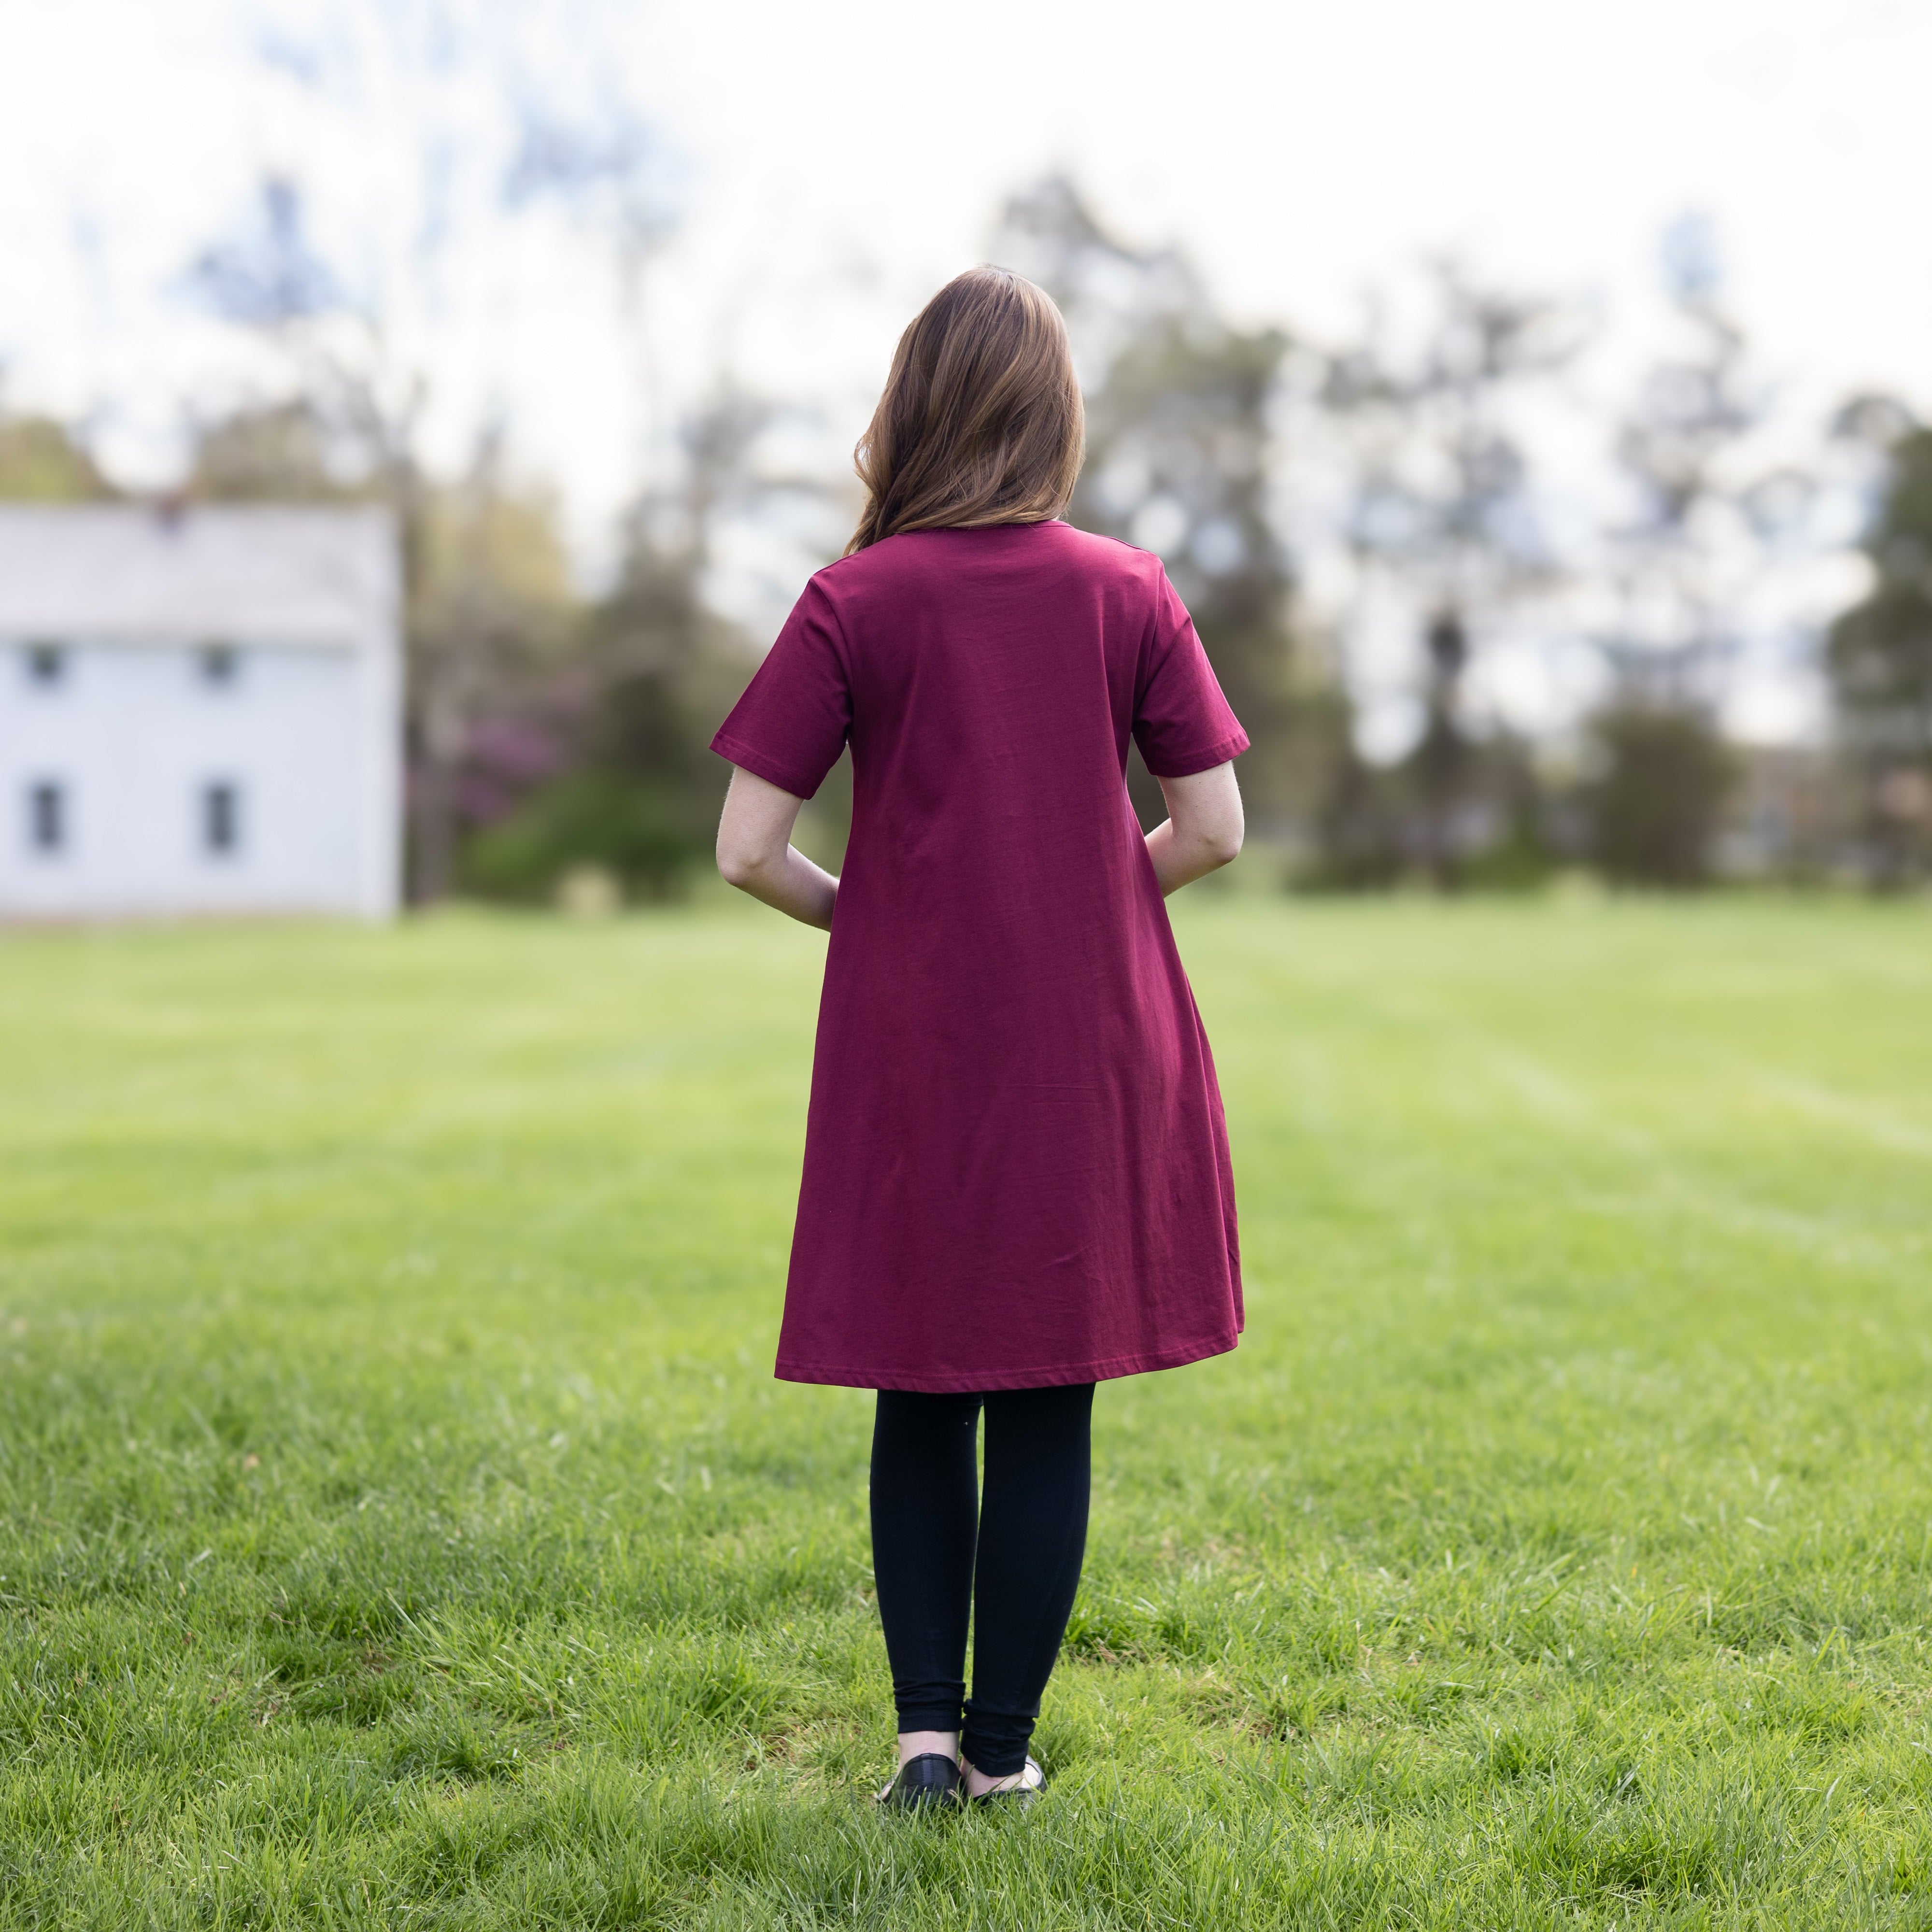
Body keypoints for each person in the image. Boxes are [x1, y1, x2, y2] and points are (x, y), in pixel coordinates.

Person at [711, 266, 1247, 1809]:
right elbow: (1210, 824)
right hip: (1087, 1044)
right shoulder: (1128, 590)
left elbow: (747, 847)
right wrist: (1087, 896)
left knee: (919, 1382)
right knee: (1050, 1389)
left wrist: (875, 914)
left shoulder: (850, 599)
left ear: (910, 416)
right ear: (1054, 416)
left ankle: (926, 1749)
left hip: (914, 1050)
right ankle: (1009, 1756)